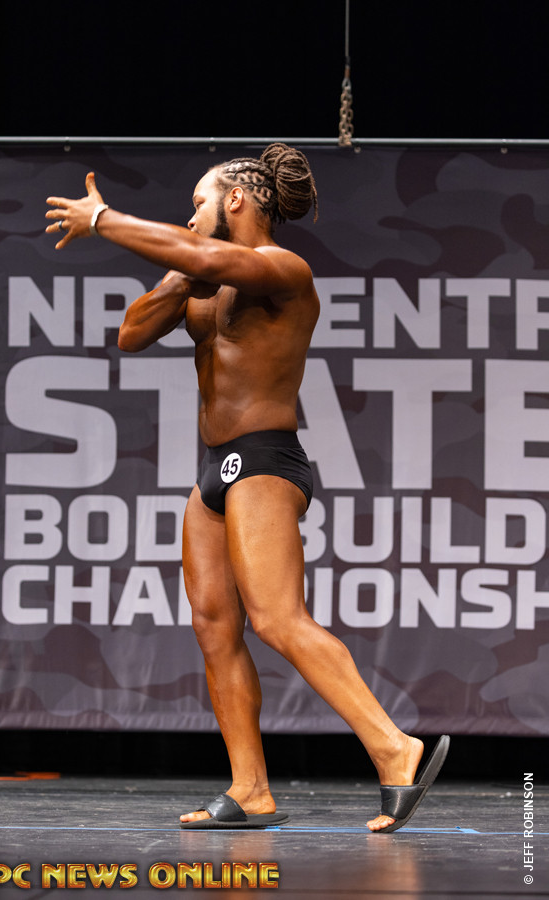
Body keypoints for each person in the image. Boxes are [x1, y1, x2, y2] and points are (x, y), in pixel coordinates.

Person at [46, 144, 449, 832]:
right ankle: (251, 788)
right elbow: (131, 334)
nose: (192, 215)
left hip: (264, 461)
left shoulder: (282, 270)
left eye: (199, 202)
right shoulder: (201, 278)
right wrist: (183, 272)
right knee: (213, 628)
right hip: (214, 469)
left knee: (277, 619)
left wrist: (106, 220)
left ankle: (394, 747)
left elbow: (206, 255)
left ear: (235, 199)